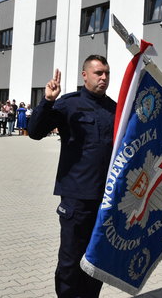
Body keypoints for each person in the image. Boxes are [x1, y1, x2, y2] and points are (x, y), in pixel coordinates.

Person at [28, 54, 116, 298]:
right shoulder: (69, 104)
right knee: (69, 262)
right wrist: (47, 100)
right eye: (98, 73)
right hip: (76, 198)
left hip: (105, 198)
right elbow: (35, 132)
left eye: (107, 73)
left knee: (95, 261)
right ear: (85, 75)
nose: (104, 78)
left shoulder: (115, 108)